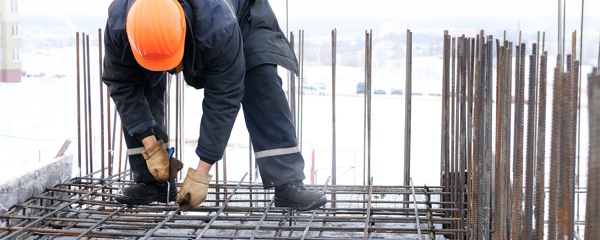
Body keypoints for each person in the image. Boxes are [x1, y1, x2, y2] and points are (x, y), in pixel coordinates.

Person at [102, 0, 328, 211]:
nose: (172, 70)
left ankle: (288, 183)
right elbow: (122, 84)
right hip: (169, 33)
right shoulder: (119, 24)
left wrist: (201, 173)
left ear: (183, 33)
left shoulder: (218, 26)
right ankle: (154, 182)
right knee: (137, 82)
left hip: (242, 20)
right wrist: (150, 146)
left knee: (260, 78)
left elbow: (224, 97)